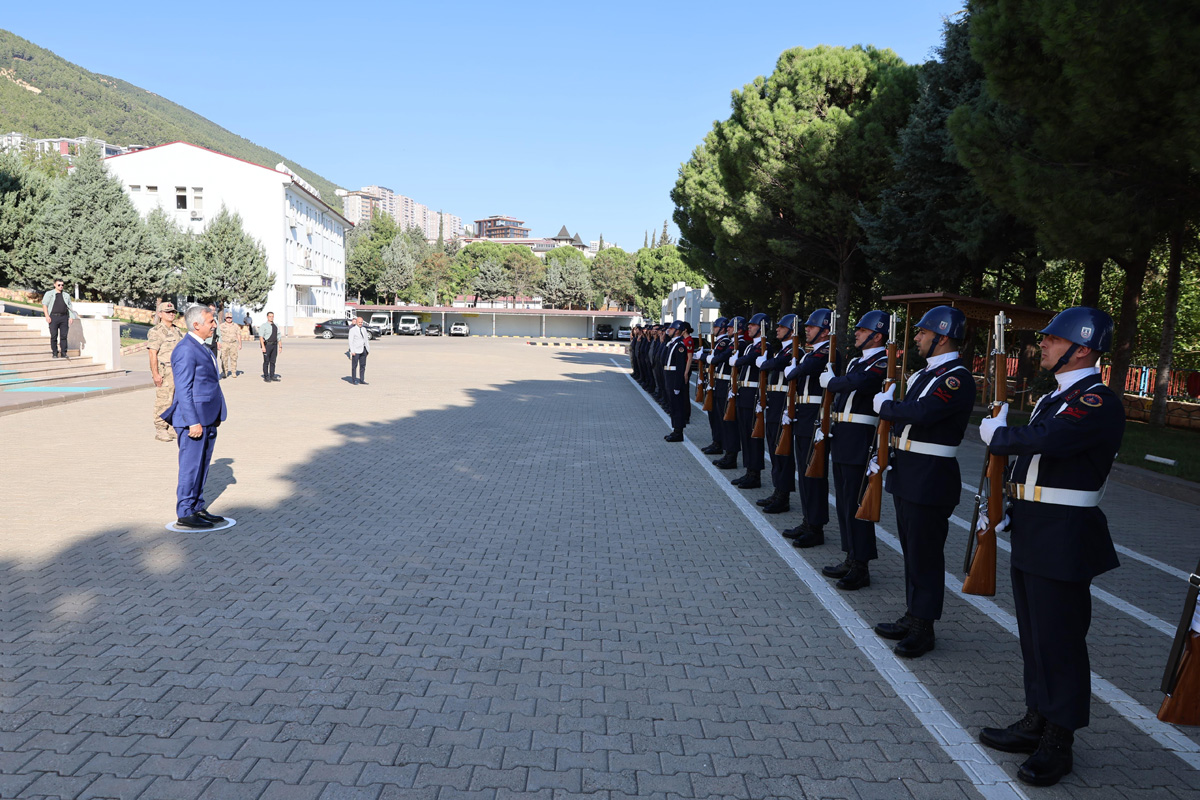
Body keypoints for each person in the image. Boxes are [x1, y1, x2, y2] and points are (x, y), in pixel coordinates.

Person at [976, 307, 1123, 787]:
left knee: (1059, 640)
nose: (1042, 345)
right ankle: (1037, 718)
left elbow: (1052, 441)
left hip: (1064, 530)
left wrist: (1001, 436)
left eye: (1052, 340)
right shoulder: (1056, 396)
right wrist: (1009, 506)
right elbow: (1036, 458)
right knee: (1035, 634)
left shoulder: (1096, 399)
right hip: (1036, 524)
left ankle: (1060, 740)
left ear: (1080, 348)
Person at [871, 305, 976, 659]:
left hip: (930, 476)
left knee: (925, 554)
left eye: (922, 332)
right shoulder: (928, 373)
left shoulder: (955, 377)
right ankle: (913, 614)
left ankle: (924, 627)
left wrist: (886, 407)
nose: (916, 337)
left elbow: (924, 413)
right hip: (910, 472)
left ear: (941, 337)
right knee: (912, 551)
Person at [821, 310, 889, 591]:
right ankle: (851, 556)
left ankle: (861, 565)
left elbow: (857, 383)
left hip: (861, 438)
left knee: (859, 503)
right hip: (844, 435)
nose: (857, 334)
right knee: (846, 502)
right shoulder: (856, 361)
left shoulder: (883, 362)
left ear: (878, 335)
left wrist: (832, 382)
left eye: (862, 330)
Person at [161, 305, 228, 530]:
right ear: (196, 324)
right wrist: (193, 422)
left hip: (207, 417)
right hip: (194, 421)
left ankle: (197, 506)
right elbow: (183, 389)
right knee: (190, 466)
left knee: (202, 465)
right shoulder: (186, 349)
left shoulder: (201, 346)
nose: (214, 325)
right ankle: (185, 512)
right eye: (211, 321)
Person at [782, 309, 840, 546]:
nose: (806, 329)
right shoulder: (811, 353)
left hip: (815, 417)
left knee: (814, 474)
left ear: (825, 331)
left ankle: (816, 527)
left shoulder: (827, 352)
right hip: (803, 415)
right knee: (805, 473)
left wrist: (792, 368)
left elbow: (802, 371)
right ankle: (808, 520)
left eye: (812, 326)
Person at [756, 314, 798, 514]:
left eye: (782, 327)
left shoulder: (793, 351)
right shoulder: (784, 350)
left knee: (782, 452)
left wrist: (765, 362)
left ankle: (784, 496)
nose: (777, 330)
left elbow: (773, 365)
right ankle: (777, 490)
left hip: (783, 405)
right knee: (774, 450)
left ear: (791, 330)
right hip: (774, 403)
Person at [729, 313, 771, 489]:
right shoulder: (751, 346)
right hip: (743, 393)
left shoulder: (763, 346)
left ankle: (755, 474)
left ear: (762, 327)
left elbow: (747, 360)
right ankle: (748, 471)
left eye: (753, 325)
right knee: (745, 434)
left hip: (754, 394)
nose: (749, 327)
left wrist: (736, 360)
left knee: (754, 436)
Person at [147, 302, 185, 443]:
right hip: (166, 371)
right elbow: (152, 353)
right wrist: (155, 373)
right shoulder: (156, 331)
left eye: (173, 312)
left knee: (176, 399)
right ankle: (160, 428)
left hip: (179, 371)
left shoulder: (178, 331)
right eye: (168, 312)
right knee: (164, 400)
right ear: (160, 314)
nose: (171, 314)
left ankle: (171, 426)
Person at [711, 317, 746, 470]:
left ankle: (731, 456)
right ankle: (727, 453)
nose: (728, 330)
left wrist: (711, 358)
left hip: (727, 385)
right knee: (724, 421)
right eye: (728, 327)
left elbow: (720, 358)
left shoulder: (741, 344)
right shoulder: (732, 343)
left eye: (731, 328)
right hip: (722, 384)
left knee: (729, 422)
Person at [699, 317, 730, 455]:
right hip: (715, 382)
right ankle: (716, 441)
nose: (714, 330)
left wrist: (703, 356)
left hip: (722, 383)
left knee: (719, 416)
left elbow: (716, 356)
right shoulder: (718, 342)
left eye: (716, 327)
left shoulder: (724, 342)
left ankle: (719, 443)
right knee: (713, 415)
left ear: (722, 328)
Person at [662, 320, 692, 441]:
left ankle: (679, 432)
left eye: (671, 329)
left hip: (674, 378)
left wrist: (677, 386)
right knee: (673, 406)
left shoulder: (680, 346)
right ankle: (675, 429)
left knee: (677, 407)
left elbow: (680, 367)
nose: (668, 330)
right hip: (669, 377)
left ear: (677, 331)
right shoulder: (671, 343)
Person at [41, 278, 77, 360]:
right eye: (59, 285)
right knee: (54, 336)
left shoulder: (66, 295)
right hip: (53, 317)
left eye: (62, 285)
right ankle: (54, 352)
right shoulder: (49, 294)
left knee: (64, 336)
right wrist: (47, 316)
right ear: (55, 285)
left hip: (64, 317)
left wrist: (71, 317)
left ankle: (64, 352)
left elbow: (70, 307)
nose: (61, 286)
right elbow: (44, 305)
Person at [217, 312, 243, 379]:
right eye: (227, 318)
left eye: (230, 318)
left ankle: (233, 372)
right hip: (224, 343)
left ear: (232, 318)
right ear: (225, 318)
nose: (229, 319)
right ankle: (225, 372)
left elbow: (238, 335)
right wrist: (218, 343)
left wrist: (240, 344)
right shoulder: (221, 326)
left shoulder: (235, 326)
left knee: (234, 358)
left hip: (233, 343)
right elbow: (218, 335)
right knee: (223, 358)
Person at [348, 316, 371, 385]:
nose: (360, 323)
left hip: (363, 350)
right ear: (356, 322)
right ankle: (354, 380)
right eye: (359, 322)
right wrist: (352, 351)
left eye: (361, 322)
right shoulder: (352, 330)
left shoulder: (364, 329)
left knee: (363, 366)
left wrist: (367, 350)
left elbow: (366, 340)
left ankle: (362, 379)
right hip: (356, 350)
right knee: (354, 366)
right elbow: (350, 341)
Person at [260, 311, 282, 382]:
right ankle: (266, 376)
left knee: (273, 361)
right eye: (270, 316)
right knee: (266, 361)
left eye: (272, 316)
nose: (271, 317)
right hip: (267, 345)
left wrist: (280, 346)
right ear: (267, 317)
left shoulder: (276, 325)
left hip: (274, 345)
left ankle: (272, 375)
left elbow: (278, 336)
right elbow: (261, 337)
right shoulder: (264, 325)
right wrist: (263, 347)